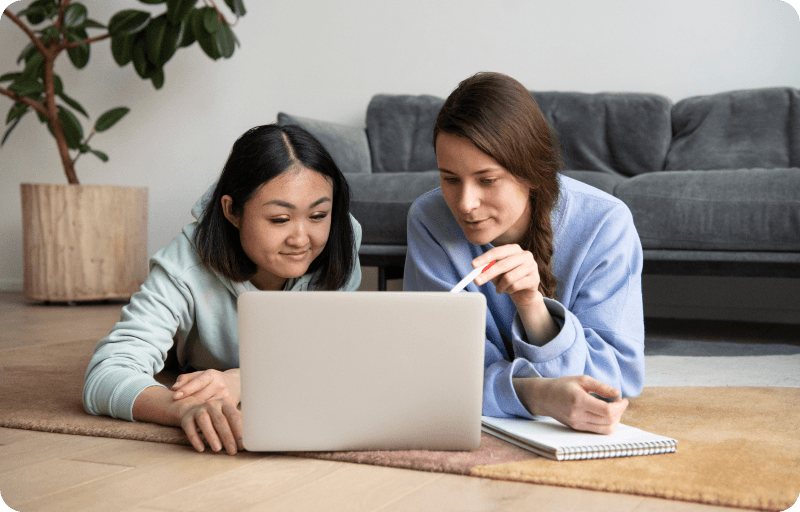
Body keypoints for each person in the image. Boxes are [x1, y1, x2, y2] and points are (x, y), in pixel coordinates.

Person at [83, 124, 362, 454]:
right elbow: (106, 374)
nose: (301, 238)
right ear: (232, 211)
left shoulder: (341, 238)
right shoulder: (185, 263)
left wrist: (241, 380)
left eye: (318, 215)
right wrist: (183, 408)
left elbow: (333, 355)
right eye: (279, 219)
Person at [403, 72, 644, 435]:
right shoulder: (429, 220)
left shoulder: (605, 224)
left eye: (487, 180)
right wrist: (538, 395)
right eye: (450, 179)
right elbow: (438, 371)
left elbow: (613, 378)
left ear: (531, 173)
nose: (465, 204)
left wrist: (532, 305)